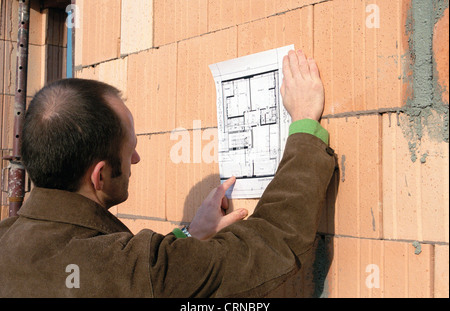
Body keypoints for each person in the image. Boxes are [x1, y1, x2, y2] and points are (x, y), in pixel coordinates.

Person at [0, 50, 336, 297]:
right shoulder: (129, 271)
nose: (136, 157)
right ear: (98, 177)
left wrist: (188, 238)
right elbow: (273, 245)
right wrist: (304, 125)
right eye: (128, 149)